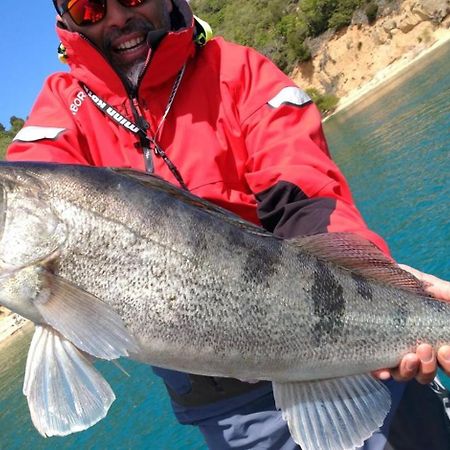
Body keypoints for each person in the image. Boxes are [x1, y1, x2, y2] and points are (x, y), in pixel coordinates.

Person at [7, 1, 450, 448]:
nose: (118, 18)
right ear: (66, 20)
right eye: (89, 7)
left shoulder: (237, 72)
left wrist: (389, 283)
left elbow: (306, 196)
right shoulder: (61, 112)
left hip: (354, 366)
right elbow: (30, 168)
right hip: (230, 413)